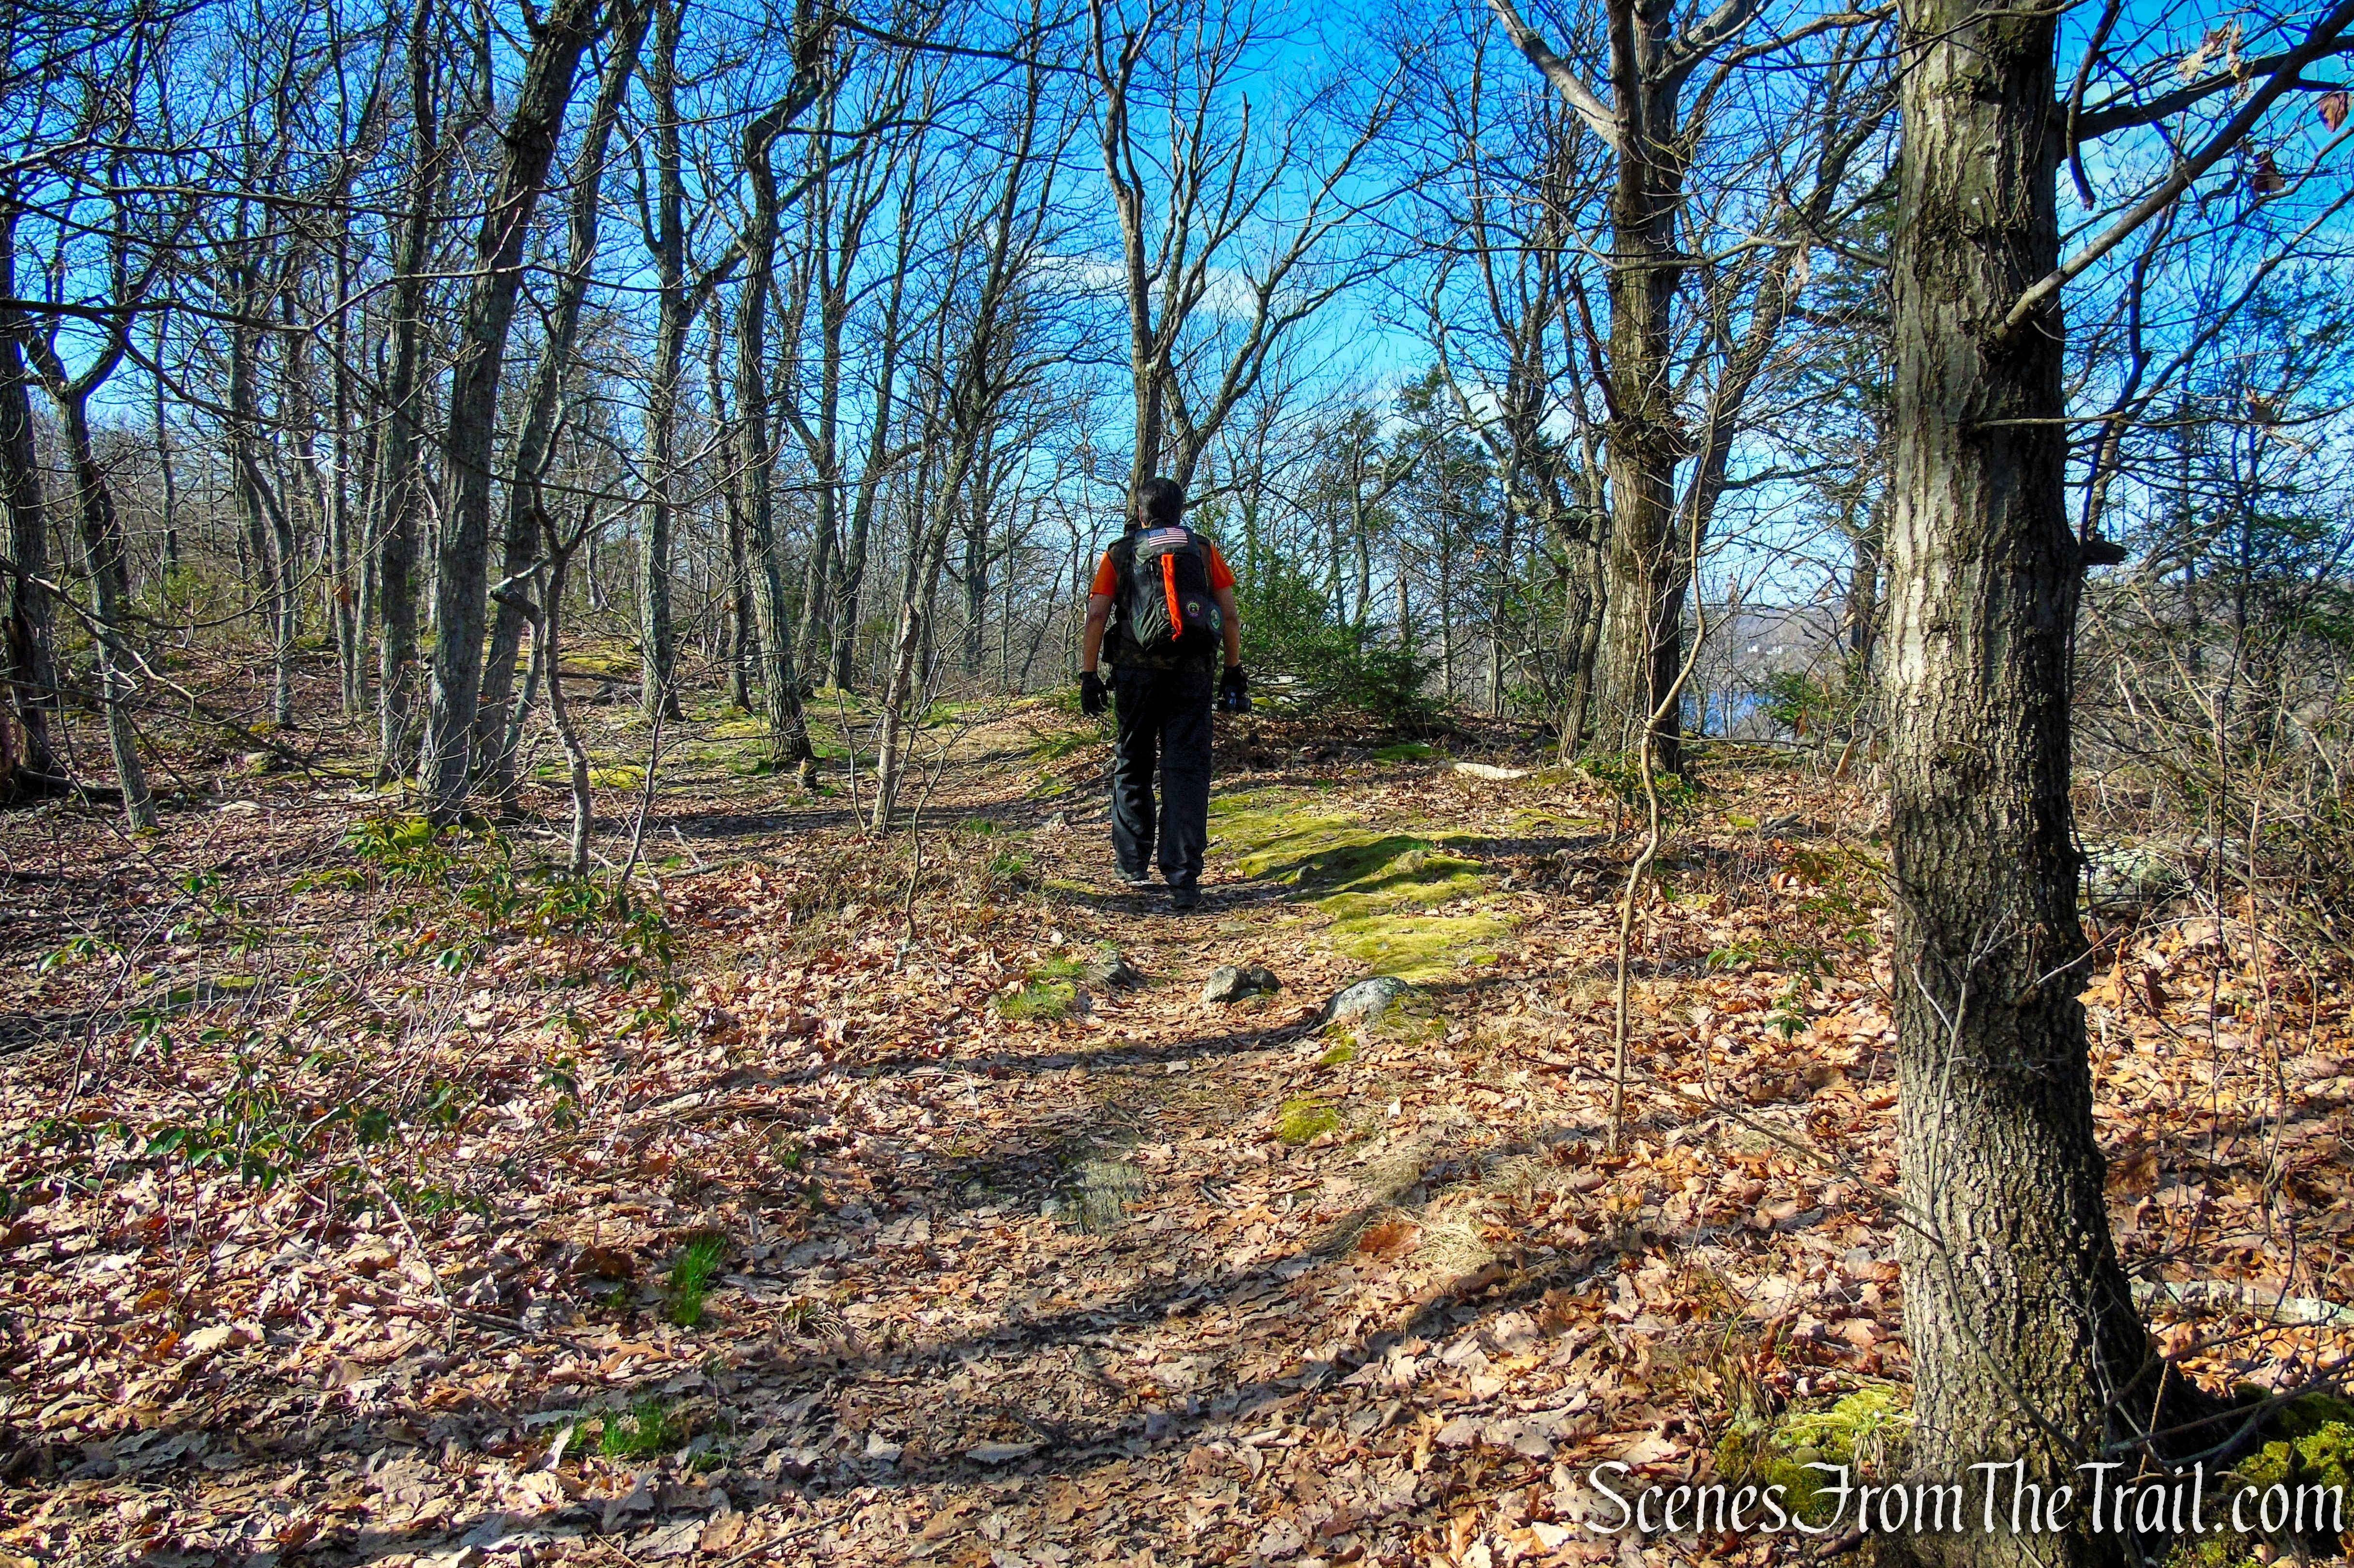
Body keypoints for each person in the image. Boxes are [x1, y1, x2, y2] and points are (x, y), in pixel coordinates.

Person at [1077, 477, 1248, 910]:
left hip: (1135, 675)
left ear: (1141, 513)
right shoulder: (1204, 551)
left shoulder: (1120, 551)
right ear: (1180, 510)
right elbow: (1228, 616)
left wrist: (1088, 674)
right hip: (1193, 676)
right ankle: (1183, 873)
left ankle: (1132, 865)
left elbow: (1097, 613)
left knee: (1132, 761)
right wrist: (1233, 672)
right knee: (1186, 769)